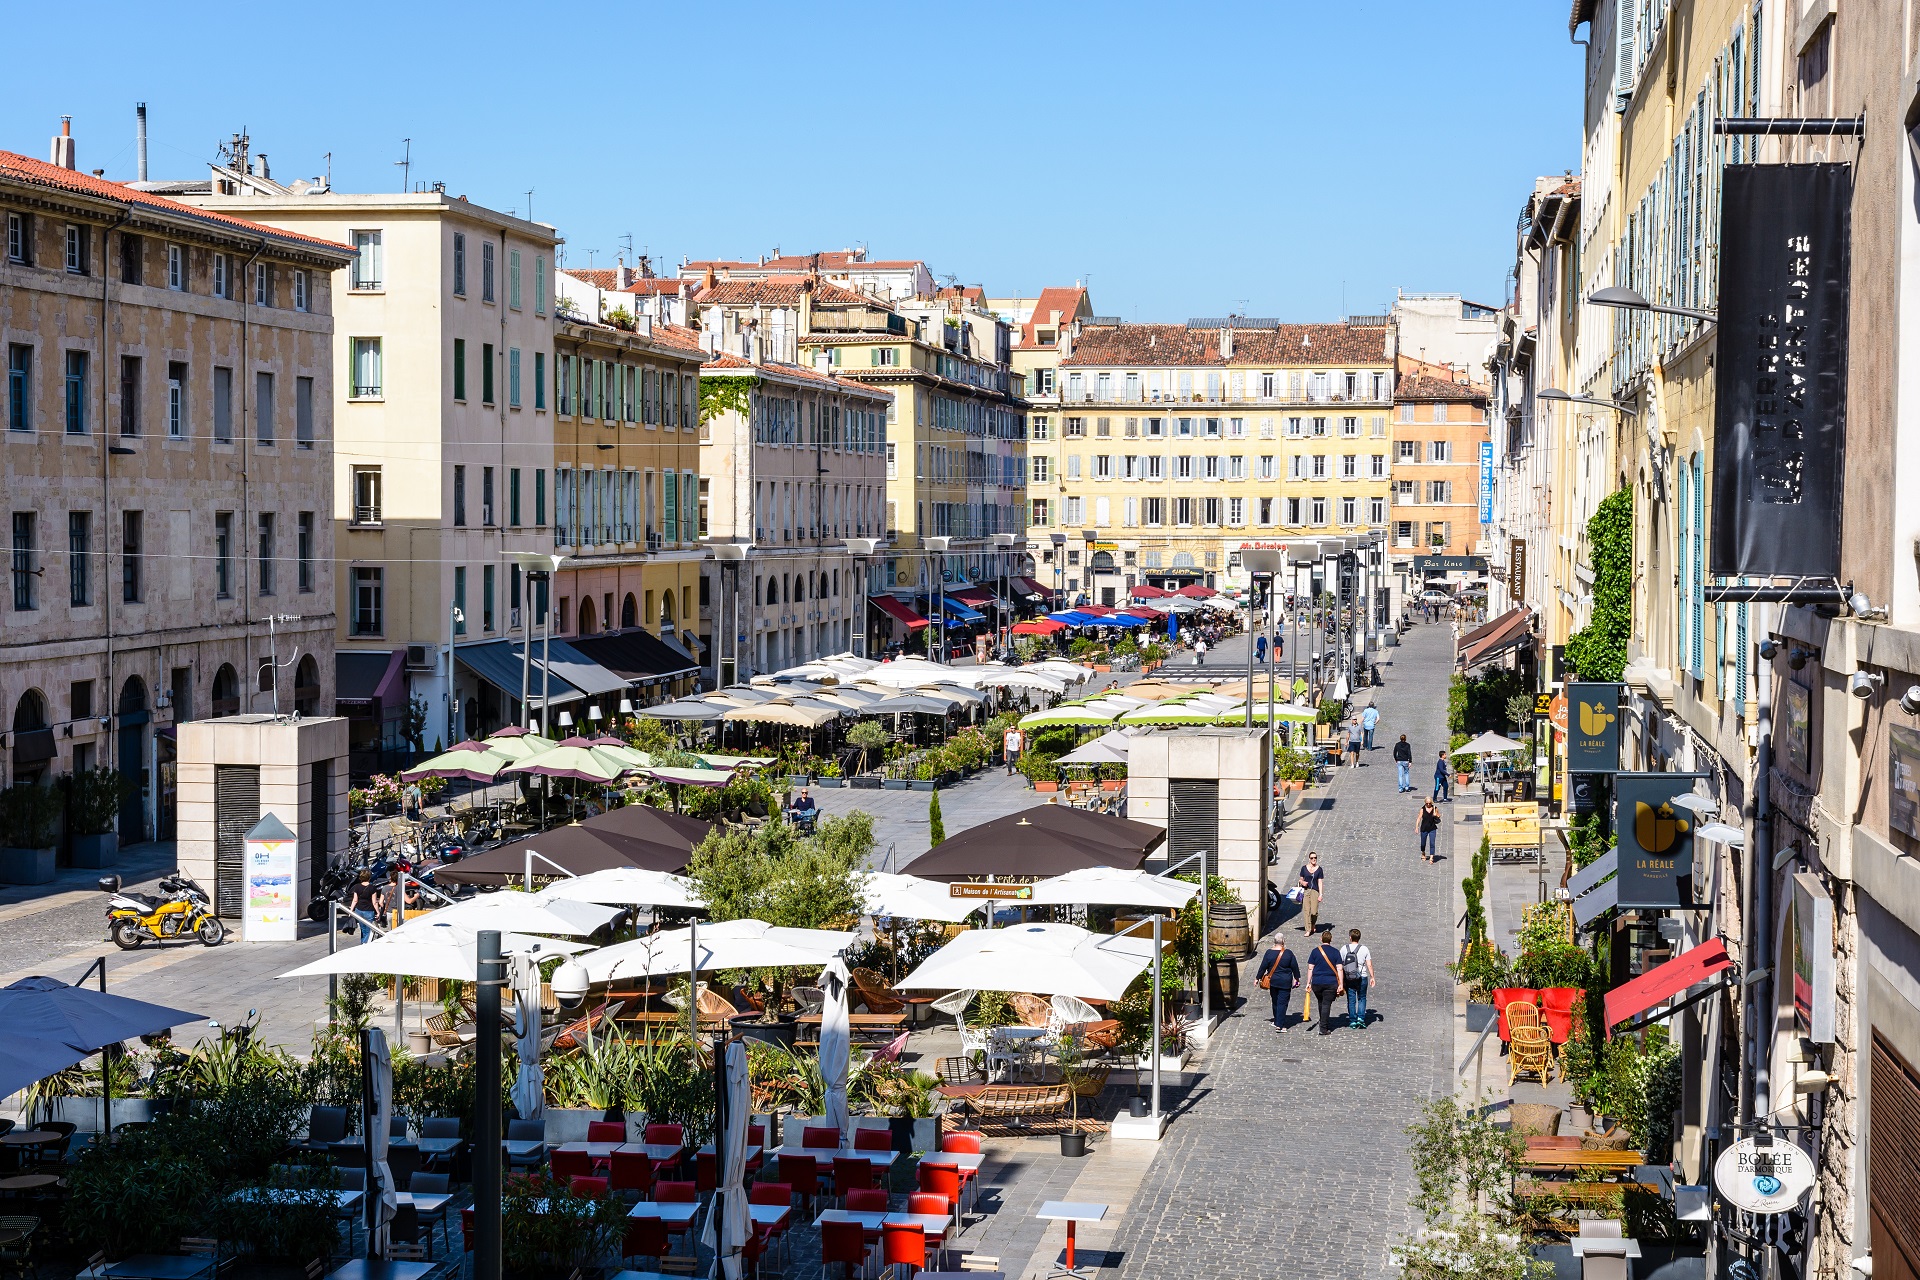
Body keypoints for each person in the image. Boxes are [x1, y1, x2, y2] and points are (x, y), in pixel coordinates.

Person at [1254, 936, 1301, 1030]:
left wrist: (1257, 978)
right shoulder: (1288, 953)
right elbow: (1294, 967)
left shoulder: (1269, 953)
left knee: (1275, 1001)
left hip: (1273, 981)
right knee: (1282, 1003)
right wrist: (1297, 978)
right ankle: (1280, 1024)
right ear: (1283, 941)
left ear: (1274, 941)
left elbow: (1263, 966)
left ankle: (1276, 1020)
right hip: (1285, 982)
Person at [1305, 929, 1345, 1035]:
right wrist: (1341, 983)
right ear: (1330, 940)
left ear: (1321, 939)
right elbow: (1340, 969)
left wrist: (1308, 982)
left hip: (1317, 982)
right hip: (1330, 982)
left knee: (1320, 1002)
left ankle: (1323, 1021)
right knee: (1326, 1004)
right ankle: (1323, 1027)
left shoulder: (1315, 951)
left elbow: (1310, 968)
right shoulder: (1336, 952)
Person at [1343, 928, 1375, 1029]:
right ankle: (1361, 1018)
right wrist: (1372, 977)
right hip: (1362, 976)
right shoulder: (1364, 949)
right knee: (1362, 998)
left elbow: (1339, 964)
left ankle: (1352, 1020)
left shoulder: (1344, 948)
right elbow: (1369, 964)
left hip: (1349, 977)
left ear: (1350, 937)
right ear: (1359, 938)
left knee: (1351, 999)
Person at [346, 870, 383, 943]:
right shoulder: (372, 888)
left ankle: (363, 942)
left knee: (363, 929)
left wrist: (350, 911)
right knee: (369, 931)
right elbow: (374, 902)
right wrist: (378, 912)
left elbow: (355, 900)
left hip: (359, 910)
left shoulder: (357, 887)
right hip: (369, 911)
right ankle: (365, 944)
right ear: (369, 877)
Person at [1297, 852, 1325, 933]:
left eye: (1315, 858)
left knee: (1314, 912)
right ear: (1309, 859)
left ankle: (1313, 924)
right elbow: (1301, 879)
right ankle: (1308, 930)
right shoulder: (1304, 868)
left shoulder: (1319, 869)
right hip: (1306, 891)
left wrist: (1320, 894)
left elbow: (1320, 882)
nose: (1314, 859)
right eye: (1312, 858)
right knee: (1306, 911)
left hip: (1315, 891)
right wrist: (1302, 882)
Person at [1418, 797, 1442, 864]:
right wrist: (1416, 827)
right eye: (1427, 803)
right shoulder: (1422, 809)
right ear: (1425, 803)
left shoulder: (1434, 808)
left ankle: (1431, 858)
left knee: (1432, 843)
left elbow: (1439, 815)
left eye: (1429, 803)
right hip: (1424, 828)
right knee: (1423, 843)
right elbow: (1419, 818)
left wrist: (1436, 814)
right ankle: (1423, 853)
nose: (1428, 804)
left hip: (1432, 828)